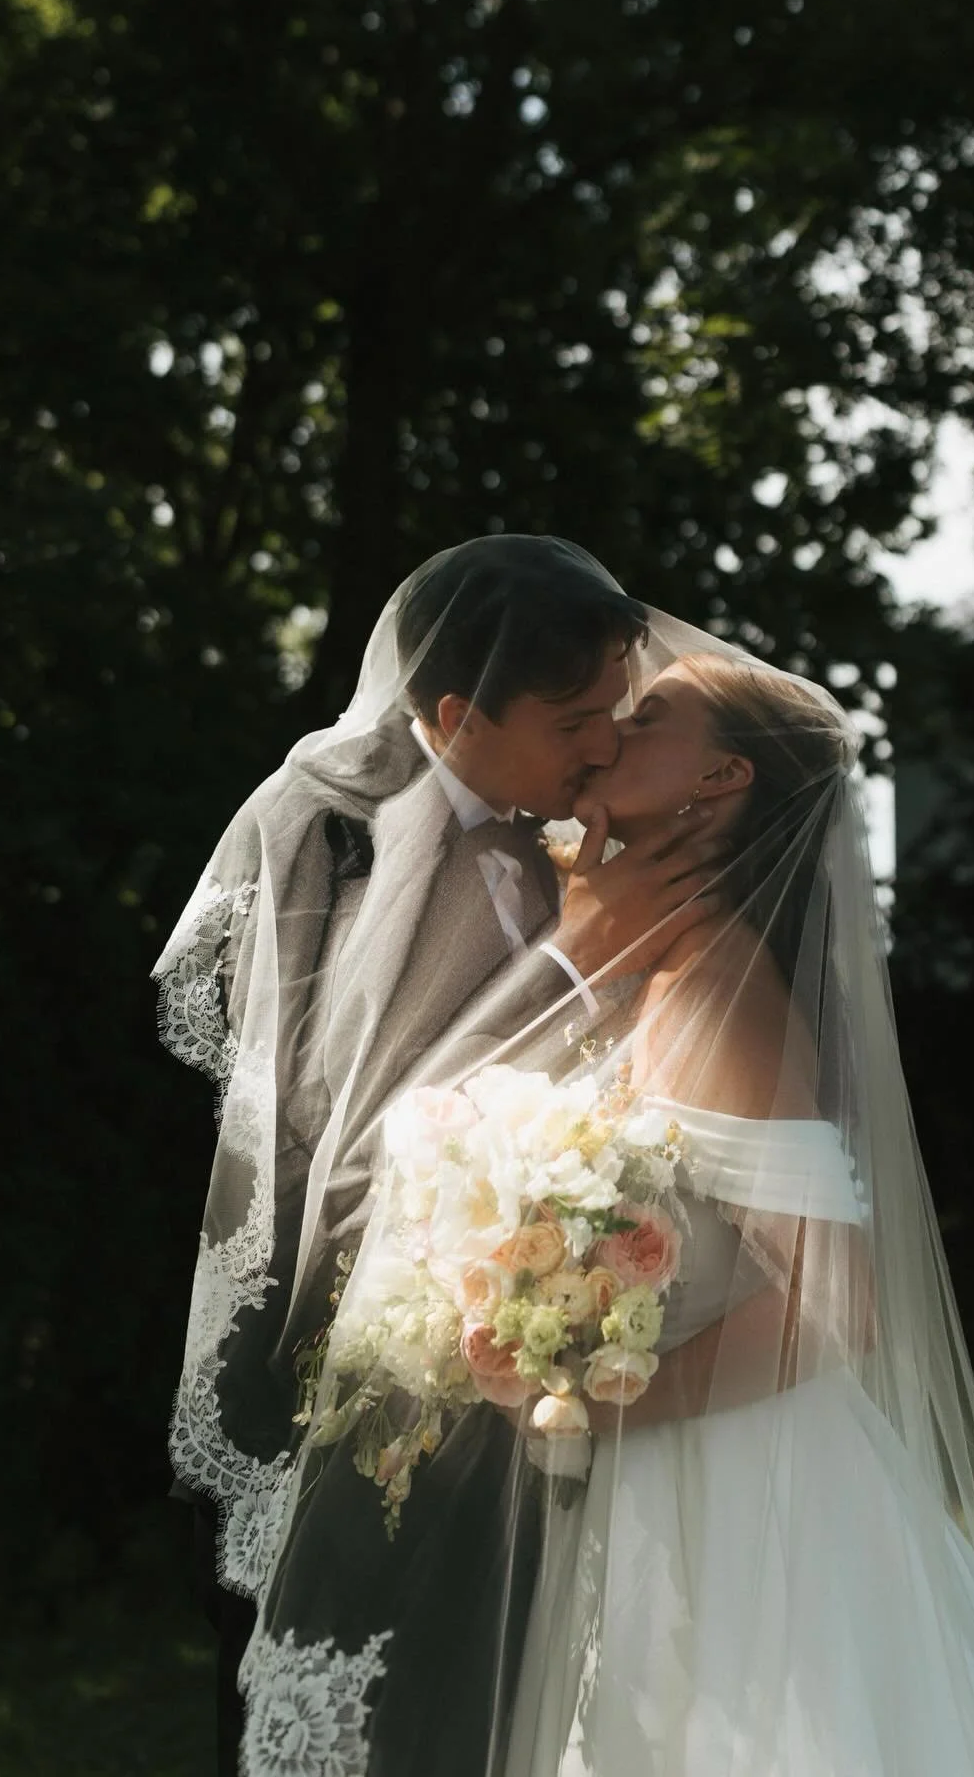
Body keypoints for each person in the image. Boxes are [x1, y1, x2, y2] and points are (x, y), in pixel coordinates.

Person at [239, 624, 974, 1775]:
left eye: (651, 719)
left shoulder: (717, 993)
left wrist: (614, 1396)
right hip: (641, 1471)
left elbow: (836, 1303)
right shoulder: (641, 955)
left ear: (723, 777)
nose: (614, 729)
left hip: (744, 1486)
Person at [153, 536, 723, 1775]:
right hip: (320, 1355)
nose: (604, 747)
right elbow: (345, 1139)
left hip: (476, 1349)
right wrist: (581, 966)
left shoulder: (534, 834)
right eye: (577, 719)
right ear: (457, 715)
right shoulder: (328, 834)